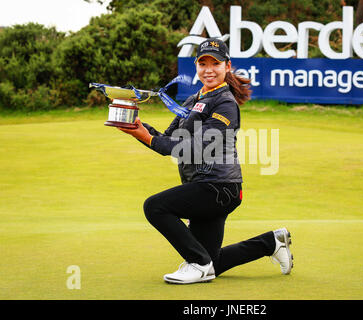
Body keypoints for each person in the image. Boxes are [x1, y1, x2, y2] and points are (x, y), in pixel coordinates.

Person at [118, 38, 293, 284]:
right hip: (204, 186)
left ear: (227, 66)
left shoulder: (225, 102)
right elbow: (168, 139)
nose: (209, 69)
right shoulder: (192, 100)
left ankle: (197, 264)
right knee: (214, 261)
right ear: (196, 66)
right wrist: (137, 126)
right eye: (203, 63)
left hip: (219, 187)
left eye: (215, 63)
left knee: (155, 207)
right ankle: (271, 242)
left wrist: (147, 138)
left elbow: (198, 148)